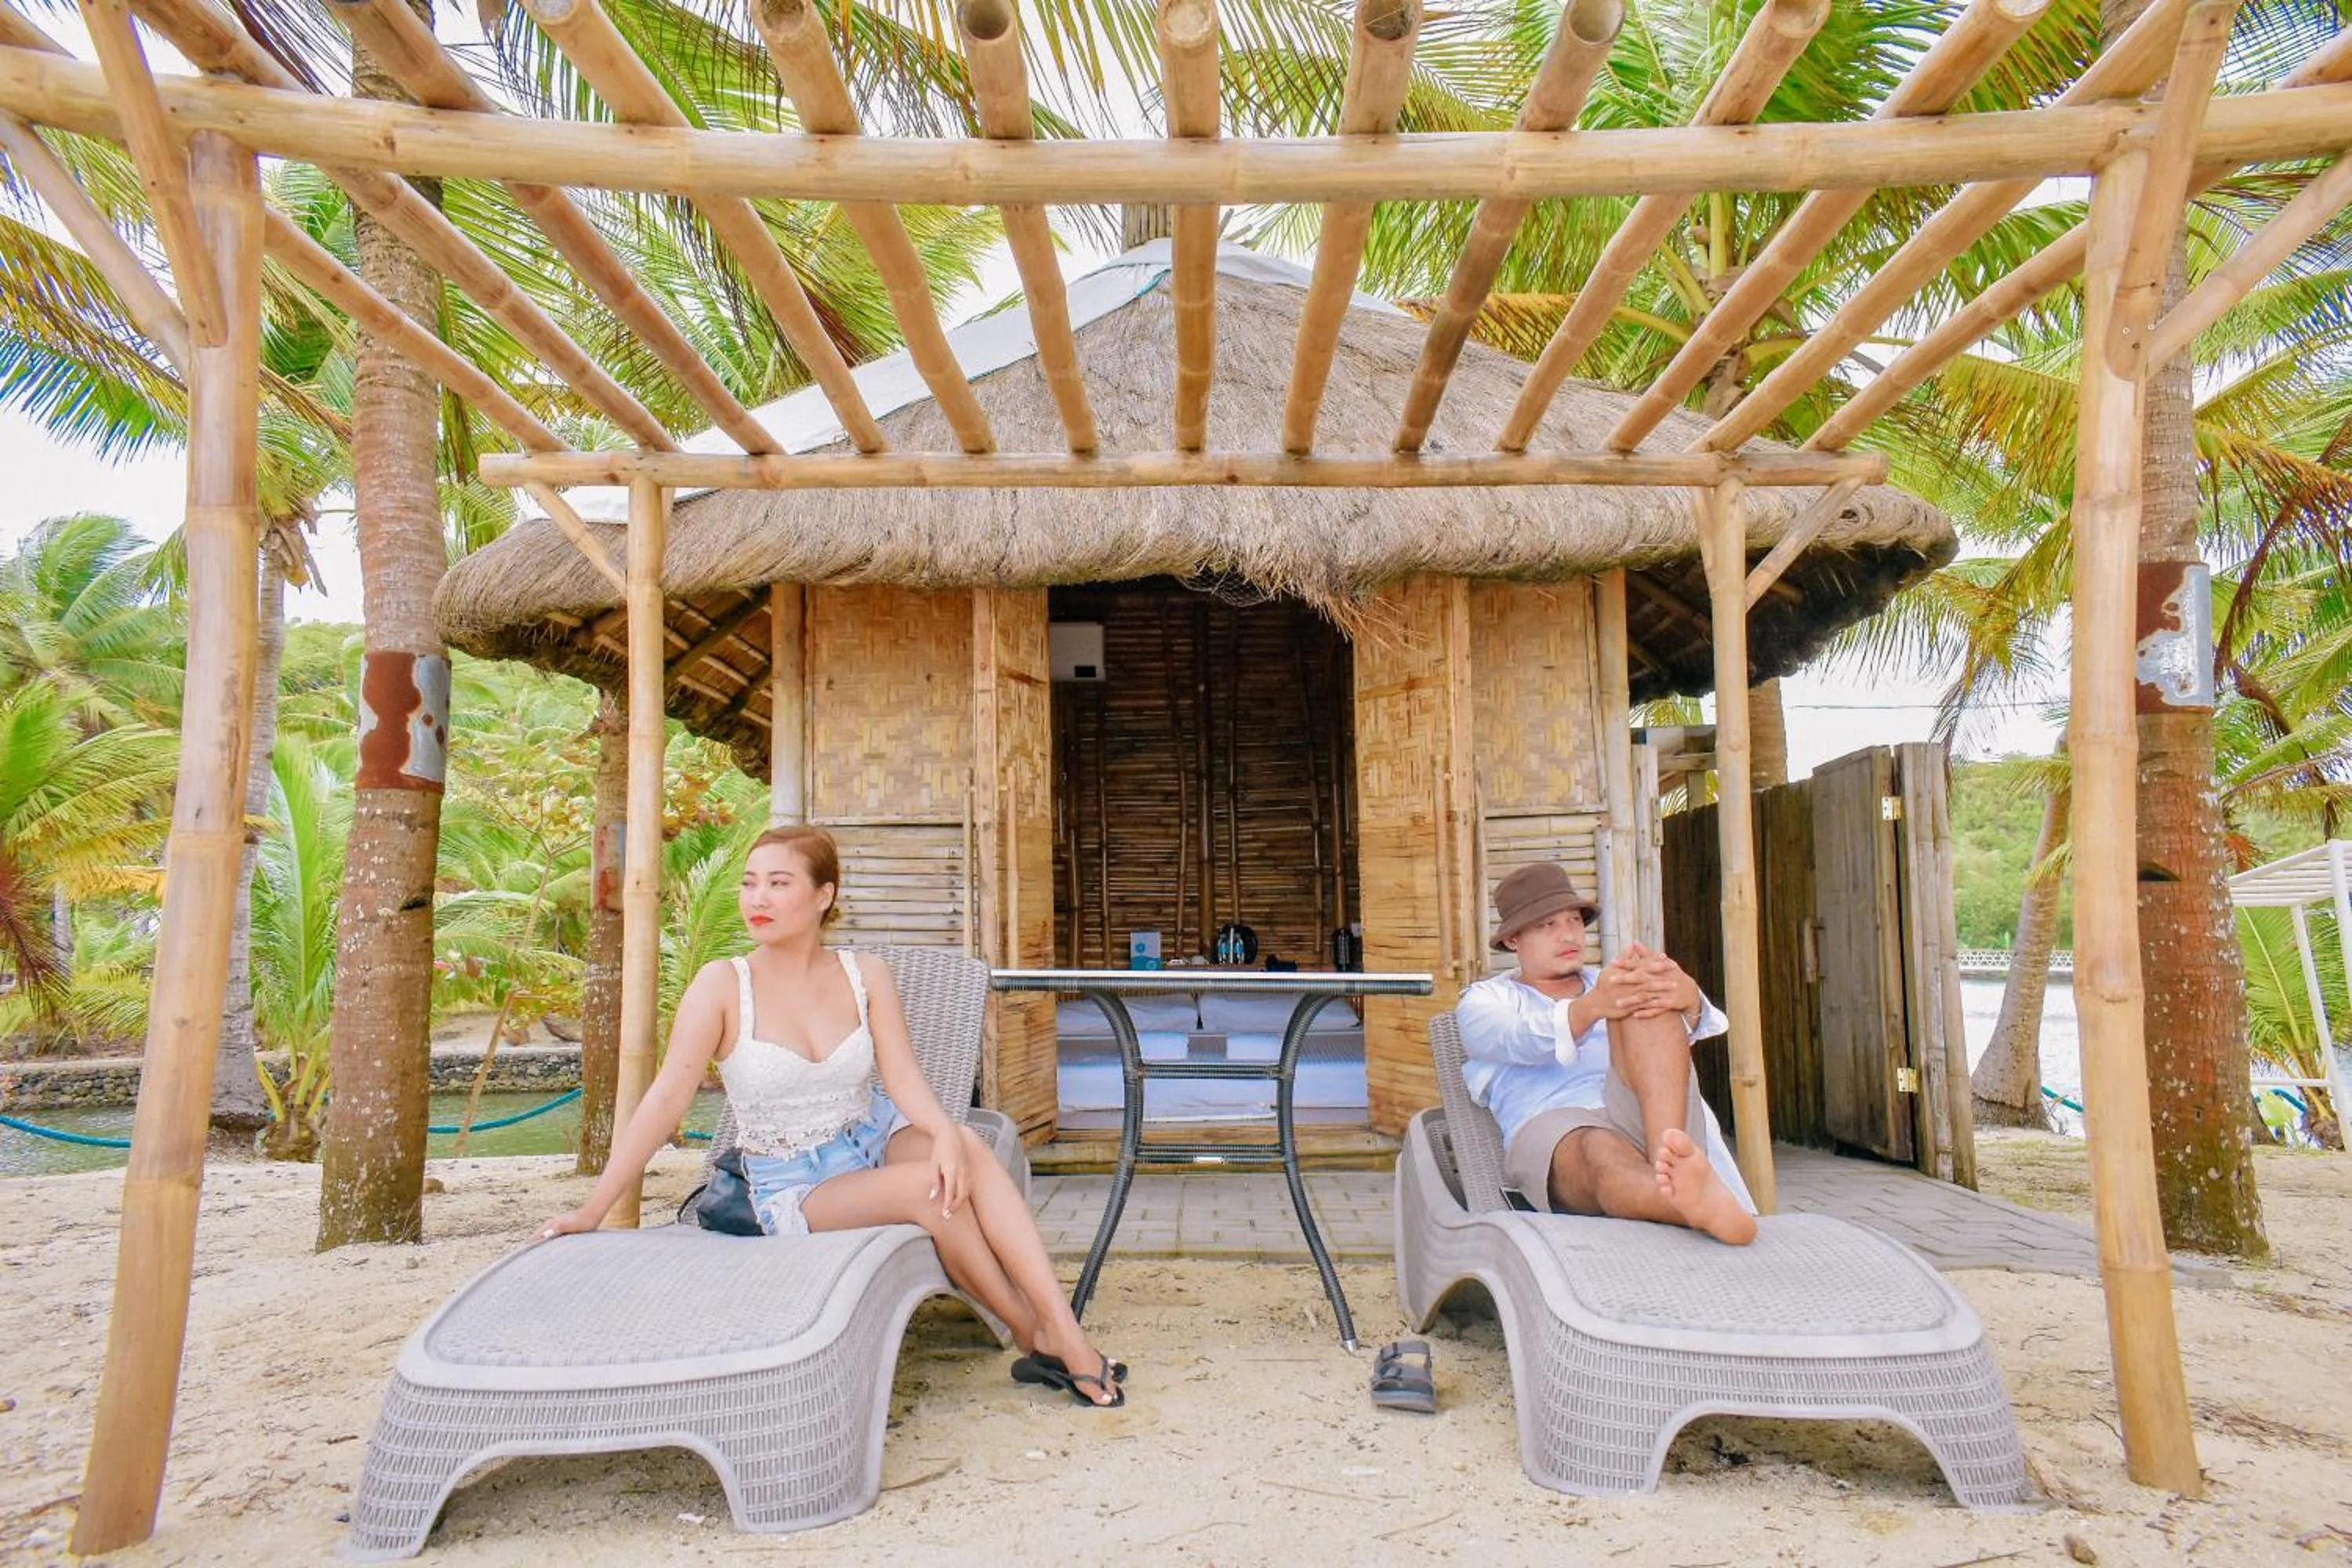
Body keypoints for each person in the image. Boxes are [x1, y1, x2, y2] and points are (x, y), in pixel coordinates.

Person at [535, 824, 1127, 1406]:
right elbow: (665, 1100)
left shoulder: (863, 973)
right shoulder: (721, 986)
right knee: (931, 1187)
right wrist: (594, 1210)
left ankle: (1062, 1331)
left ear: (824, 896)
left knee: (967, 1149)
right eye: (749, 883)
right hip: (791, 1182)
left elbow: (901, 1078)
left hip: (868, 1132)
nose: (757, 899)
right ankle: (1034, 1334)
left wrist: (944, 1131)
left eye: (777, 882)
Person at [1455, 862, 1757, 1245]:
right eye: (1547, 925)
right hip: (1556, 1124)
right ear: (1513, 939)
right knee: (1598, 1149)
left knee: (1645, 994)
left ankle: (1673, 1165)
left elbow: (1677, 1041)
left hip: (1652, 1118)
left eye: (1574, 921)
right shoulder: (1486, 1001)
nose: (1567, 935)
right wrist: (1591, 1008)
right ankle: (1684, 1200)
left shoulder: (1611, 981)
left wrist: (1688, 1000)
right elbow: (1514, 1038)